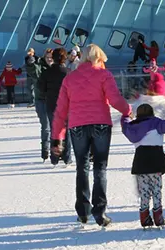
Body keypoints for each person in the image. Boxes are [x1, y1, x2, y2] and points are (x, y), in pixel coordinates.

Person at [51, 44, 132, 228]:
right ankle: (99, 211)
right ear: (98, 58)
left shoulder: (70, 79)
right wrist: (128, 110)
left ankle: (83, 212)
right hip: (101, 125)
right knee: (100, 168)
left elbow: (61, 111)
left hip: (77, 126)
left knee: (82, 167)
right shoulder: (104, 75)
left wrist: (57, 137)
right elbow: (115, 99)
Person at [121, 104, 165, 228]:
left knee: (144, 191)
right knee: (156, 190)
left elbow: (125, 125)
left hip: (140, 163)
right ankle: (158, 217)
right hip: (156, 162)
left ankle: (144, 218)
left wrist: (126, 116)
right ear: (152, 113)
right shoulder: (156, 123)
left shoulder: (132, 127)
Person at [39, 48, 73, 168]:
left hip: (52, 104)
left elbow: (41, 88)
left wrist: (48, 94)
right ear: (64, 58)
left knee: (55, 130)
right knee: (67, 131)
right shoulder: (68, 72)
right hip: (66, 105)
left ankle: (54, 158)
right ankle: (67, 158)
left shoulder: (47, 72)